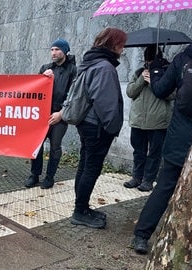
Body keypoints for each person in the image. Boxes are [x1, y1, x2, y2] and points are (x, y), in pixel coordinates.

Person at [132, 40, 192, 255]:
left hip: (180, 135)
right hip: (182, 136)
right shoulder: (183, 59)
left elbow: (160, 90)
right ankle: (143, 234)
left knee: (165, 186)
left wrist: (157, 70)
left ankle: (141, 235)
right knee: (165, 185)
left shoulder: (182, 58)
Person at [63, 27, 127, 229]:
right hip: (97, 126)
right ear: (114, 44)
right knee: (91, 168)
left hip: (87, 123)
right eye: (121, 45)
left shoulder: (91, 62)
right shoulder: (104, 67)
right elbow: (105, 102)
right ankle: (80, 211)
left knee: (85, 165)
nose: (123, 49)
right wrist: (112, 127)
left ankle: (81, 207)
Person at [25, 38, 77, 189]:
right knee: (37, 145)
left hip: (59, 115)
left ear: (65, 51)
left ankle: (49, 177)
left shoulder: (73, 70)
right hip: (42, 115)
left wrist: (61, 113)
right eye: (52, 50)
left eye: (57, 50)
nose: (53, 53)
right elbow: (35, 90)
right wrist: (42, 78)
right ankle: (34, 174)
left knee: (55, 146)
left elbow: (73, 95)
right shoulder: (46, 67)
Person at [123, 45, 173, 192]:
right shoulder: (139, 72)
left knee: (154, 153)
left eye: (151, 60)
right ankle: (136, 177)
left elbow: (172, 94)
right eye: (147, 60)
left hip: (157, 121)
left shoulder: (168, 71)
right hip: (138, 120)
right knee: (138, 151)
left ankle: (148, 180)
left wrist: (154, 81)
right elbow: (130, 92)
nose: (148, 63)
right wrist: (141, 80)